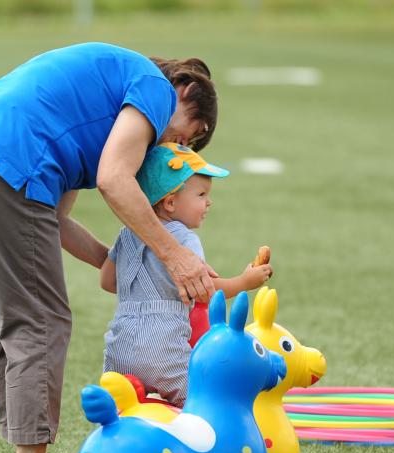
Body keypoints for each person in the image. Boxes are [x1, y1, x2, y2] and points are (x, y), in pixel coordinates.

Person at [0, 42, 219, 453]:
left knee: (9, 324)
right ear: (184, 92)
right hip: (5, 166)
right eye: (188, 135)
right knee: (40, 323)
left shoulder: (104, 99)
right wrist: (173, 256)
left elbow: (54, 222)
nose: (177, 149)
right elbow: (114, 179)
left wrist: (124, 263)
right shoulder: (155, 88)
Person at [99, 143, 273, 407]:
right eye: (201, 194)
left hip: (119, 346)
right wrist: (243, 282)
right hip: (163, 347)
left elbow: (107, 281)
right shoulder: (184, 239)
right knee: (199, 403)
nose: (209, 202)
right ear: (170, 202)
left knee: (121, 407)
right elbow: (204, 290)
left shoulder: (126, 235)